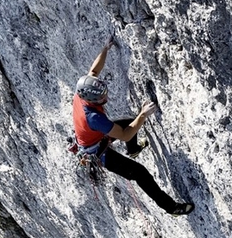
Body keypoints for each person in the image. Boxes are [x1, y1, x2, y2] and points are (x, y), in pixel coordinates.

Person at [72, 38, 194, 216]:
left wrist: (105, 48)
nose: (105, 98)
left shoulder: (83, 89)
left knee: (130, 121)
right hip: (98, 152)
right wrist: (143, 114)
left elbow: (94, 70)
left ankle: (134, 150)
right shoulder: (94, 117)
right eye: (101, 98)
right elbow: (125, 135)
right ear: (91, 100)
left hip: (93, 138)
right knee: (140, 173)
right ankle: (172, 208)